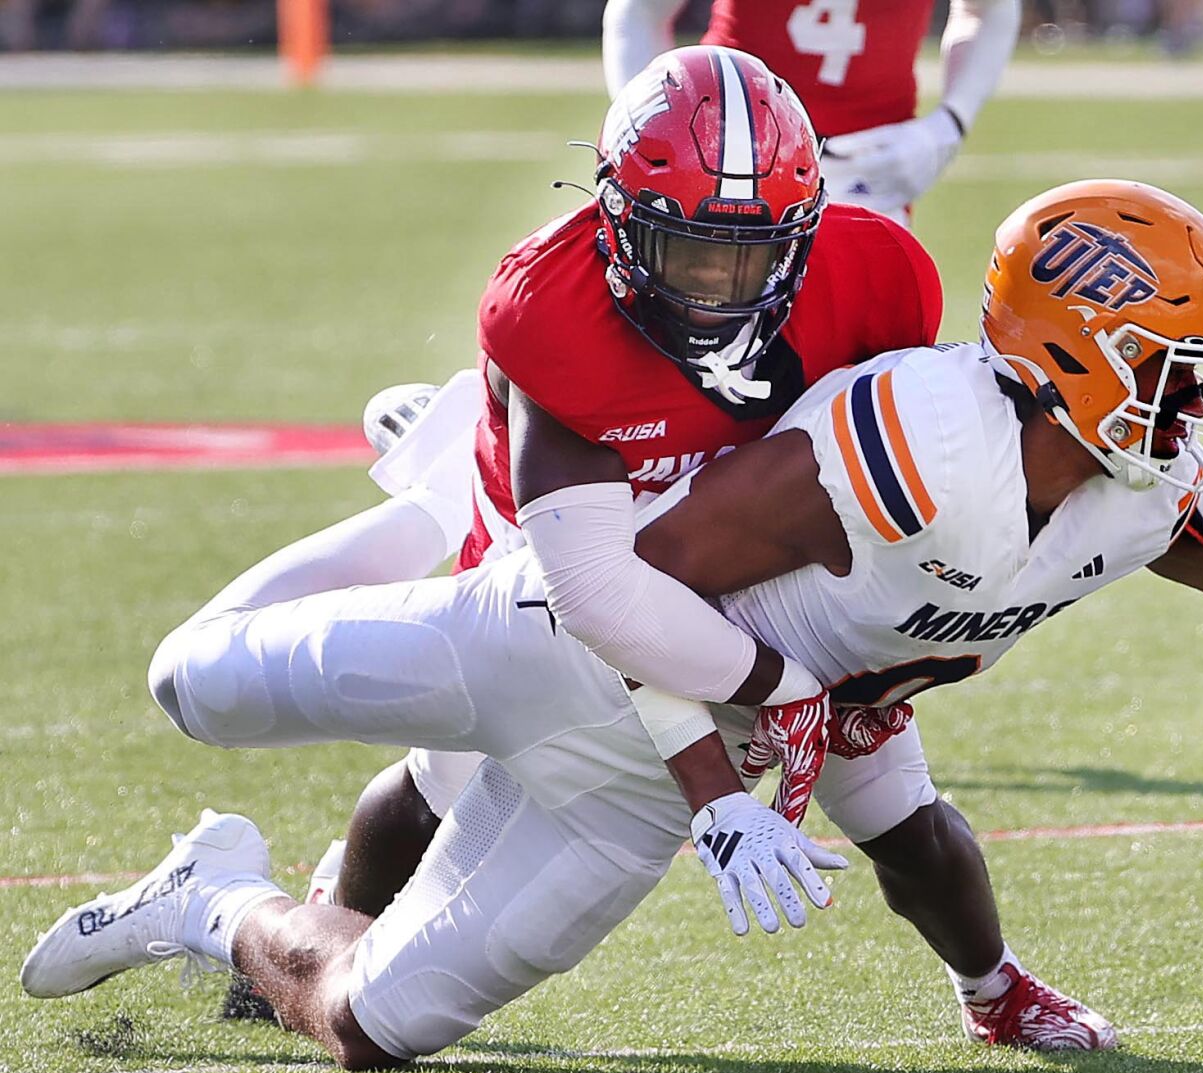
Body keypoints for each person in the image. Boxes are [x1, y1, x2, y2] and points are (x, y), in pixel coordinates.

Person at [22, 181, 1203, 1069]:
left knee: (372, 1032)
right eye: (1178, 357)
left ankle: (210, 897)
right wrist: (717, 763)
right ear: (1072, 347)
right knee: (197, 680)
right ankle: (438, 477)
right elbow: (647, 576)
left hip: (710, 742)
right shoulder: (921, 435)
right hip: (566, 629)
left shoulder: (1127, 486)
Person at [148, 43, 941, 1018]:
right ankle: (433, 503)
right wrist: (737, 751)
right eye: (685, 250)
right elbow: (601, 596)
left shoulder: (879, 274)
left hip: (715, 504)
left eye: (750, 254)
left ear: (804, 236)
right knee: (451, 760)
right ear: (614, 220)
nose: (715, 289)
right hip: (558, 519)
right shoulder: (549, 311)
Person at [603, 0, 1020, 224]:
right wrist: (647, 133)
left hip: (873, 163)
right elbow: (640, 10)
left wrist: (949, 124)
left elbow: (989, 9)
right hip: (729, 149)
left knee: (866, 358)